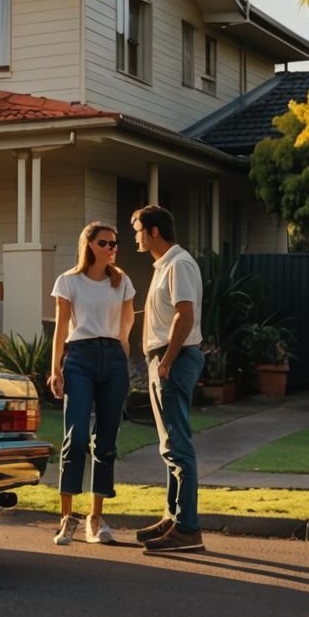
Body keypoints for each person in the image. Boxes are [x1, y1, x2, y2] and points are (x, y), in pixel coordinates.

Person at [48, 222, 136, 545]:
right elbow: (60, 329)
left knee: (107, 440)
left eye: (115, 243)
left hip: (113, 359)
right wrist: (55, 369)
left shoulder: (121, 281)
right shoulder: (68, 282)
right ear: (89, 245)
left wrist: (122, 347)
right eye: (105, 243)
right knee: (77, 436)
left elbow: (128, 319)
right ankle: (65, 519)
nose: (112, 248)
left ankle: (95, 519)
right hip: (80, 359)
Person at [131, 205, 206, 554]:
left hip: (172, 360)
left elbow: (185, 316)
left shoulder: (179, 264)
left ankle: (188, 529)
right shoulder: (164, 266)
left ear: (154, 231)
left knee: (178, 446)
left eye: (138, 230)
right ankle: (173, 518)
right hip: (161, 359)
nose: (136, 236)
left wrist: (167, 362)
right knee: (169, 447)